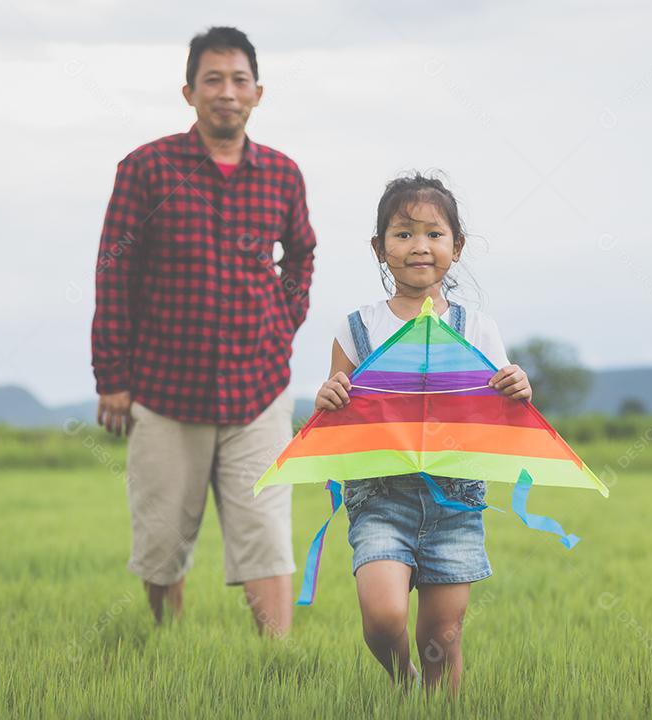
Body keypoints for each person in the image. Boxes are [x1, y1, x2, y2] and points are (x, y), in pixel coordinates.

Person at [91, 26, 316, 634]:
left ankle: (277, 659)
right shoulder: (146, 169)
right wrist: (111, 377)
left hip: (259, 386)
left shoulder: (282, 175)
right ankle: (167, 642)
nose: (226, 91)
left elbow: (301, 255)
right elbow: (114, 272)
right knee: (162, 537)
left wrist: (282, 321)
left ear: (258, 93)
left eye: (238, 80)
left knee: (266, 530)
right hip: (165, 389)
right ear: (189, 92)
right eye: (212, 79)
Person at [314, 174, 531, 694]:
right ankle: (403, 681)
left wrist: (519, 387)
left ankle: (438, 703)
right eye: (403, 233)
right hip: (380, 497)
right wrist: (327, 400)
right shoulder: (357, 327)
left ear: (456, 247)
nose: (419, 246)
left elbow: (501, 411)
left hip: (455, 502)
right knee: (384, 617)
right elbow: (338, 414)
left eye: (434, 234)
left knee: (443, 634)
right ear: (380, 247)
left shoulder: (476, 327)